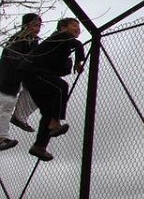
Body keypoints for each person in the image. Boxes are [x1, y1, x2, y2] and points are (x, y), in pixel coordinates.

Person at [23, 17, 85, 161]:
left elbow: (57, 67)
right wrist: (79, 60)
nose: (77, 29)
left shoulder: (60, 45)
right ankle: (56, 122)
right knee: (61, 86)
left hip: (34, 77)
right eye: (74, 25)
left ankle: (39, 146)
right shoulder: (60, 36)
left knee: (48, 111)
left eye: (79, 27)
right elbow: (77, 44)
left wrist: (69, 63)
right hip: (33, 72)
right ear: (63, 27)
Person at [0, 14, 42, 151]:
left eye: (39, 25)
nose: (38, 28)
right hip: (7, 80)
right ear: (26, 25)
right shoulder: (17, 40)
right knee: (5, 106)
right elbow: (15, 59)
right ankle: (2, 137)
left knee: (39, 91)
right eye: (35, 25)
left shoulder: (33, 41)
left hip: (18, 79)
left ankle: (19, 118)